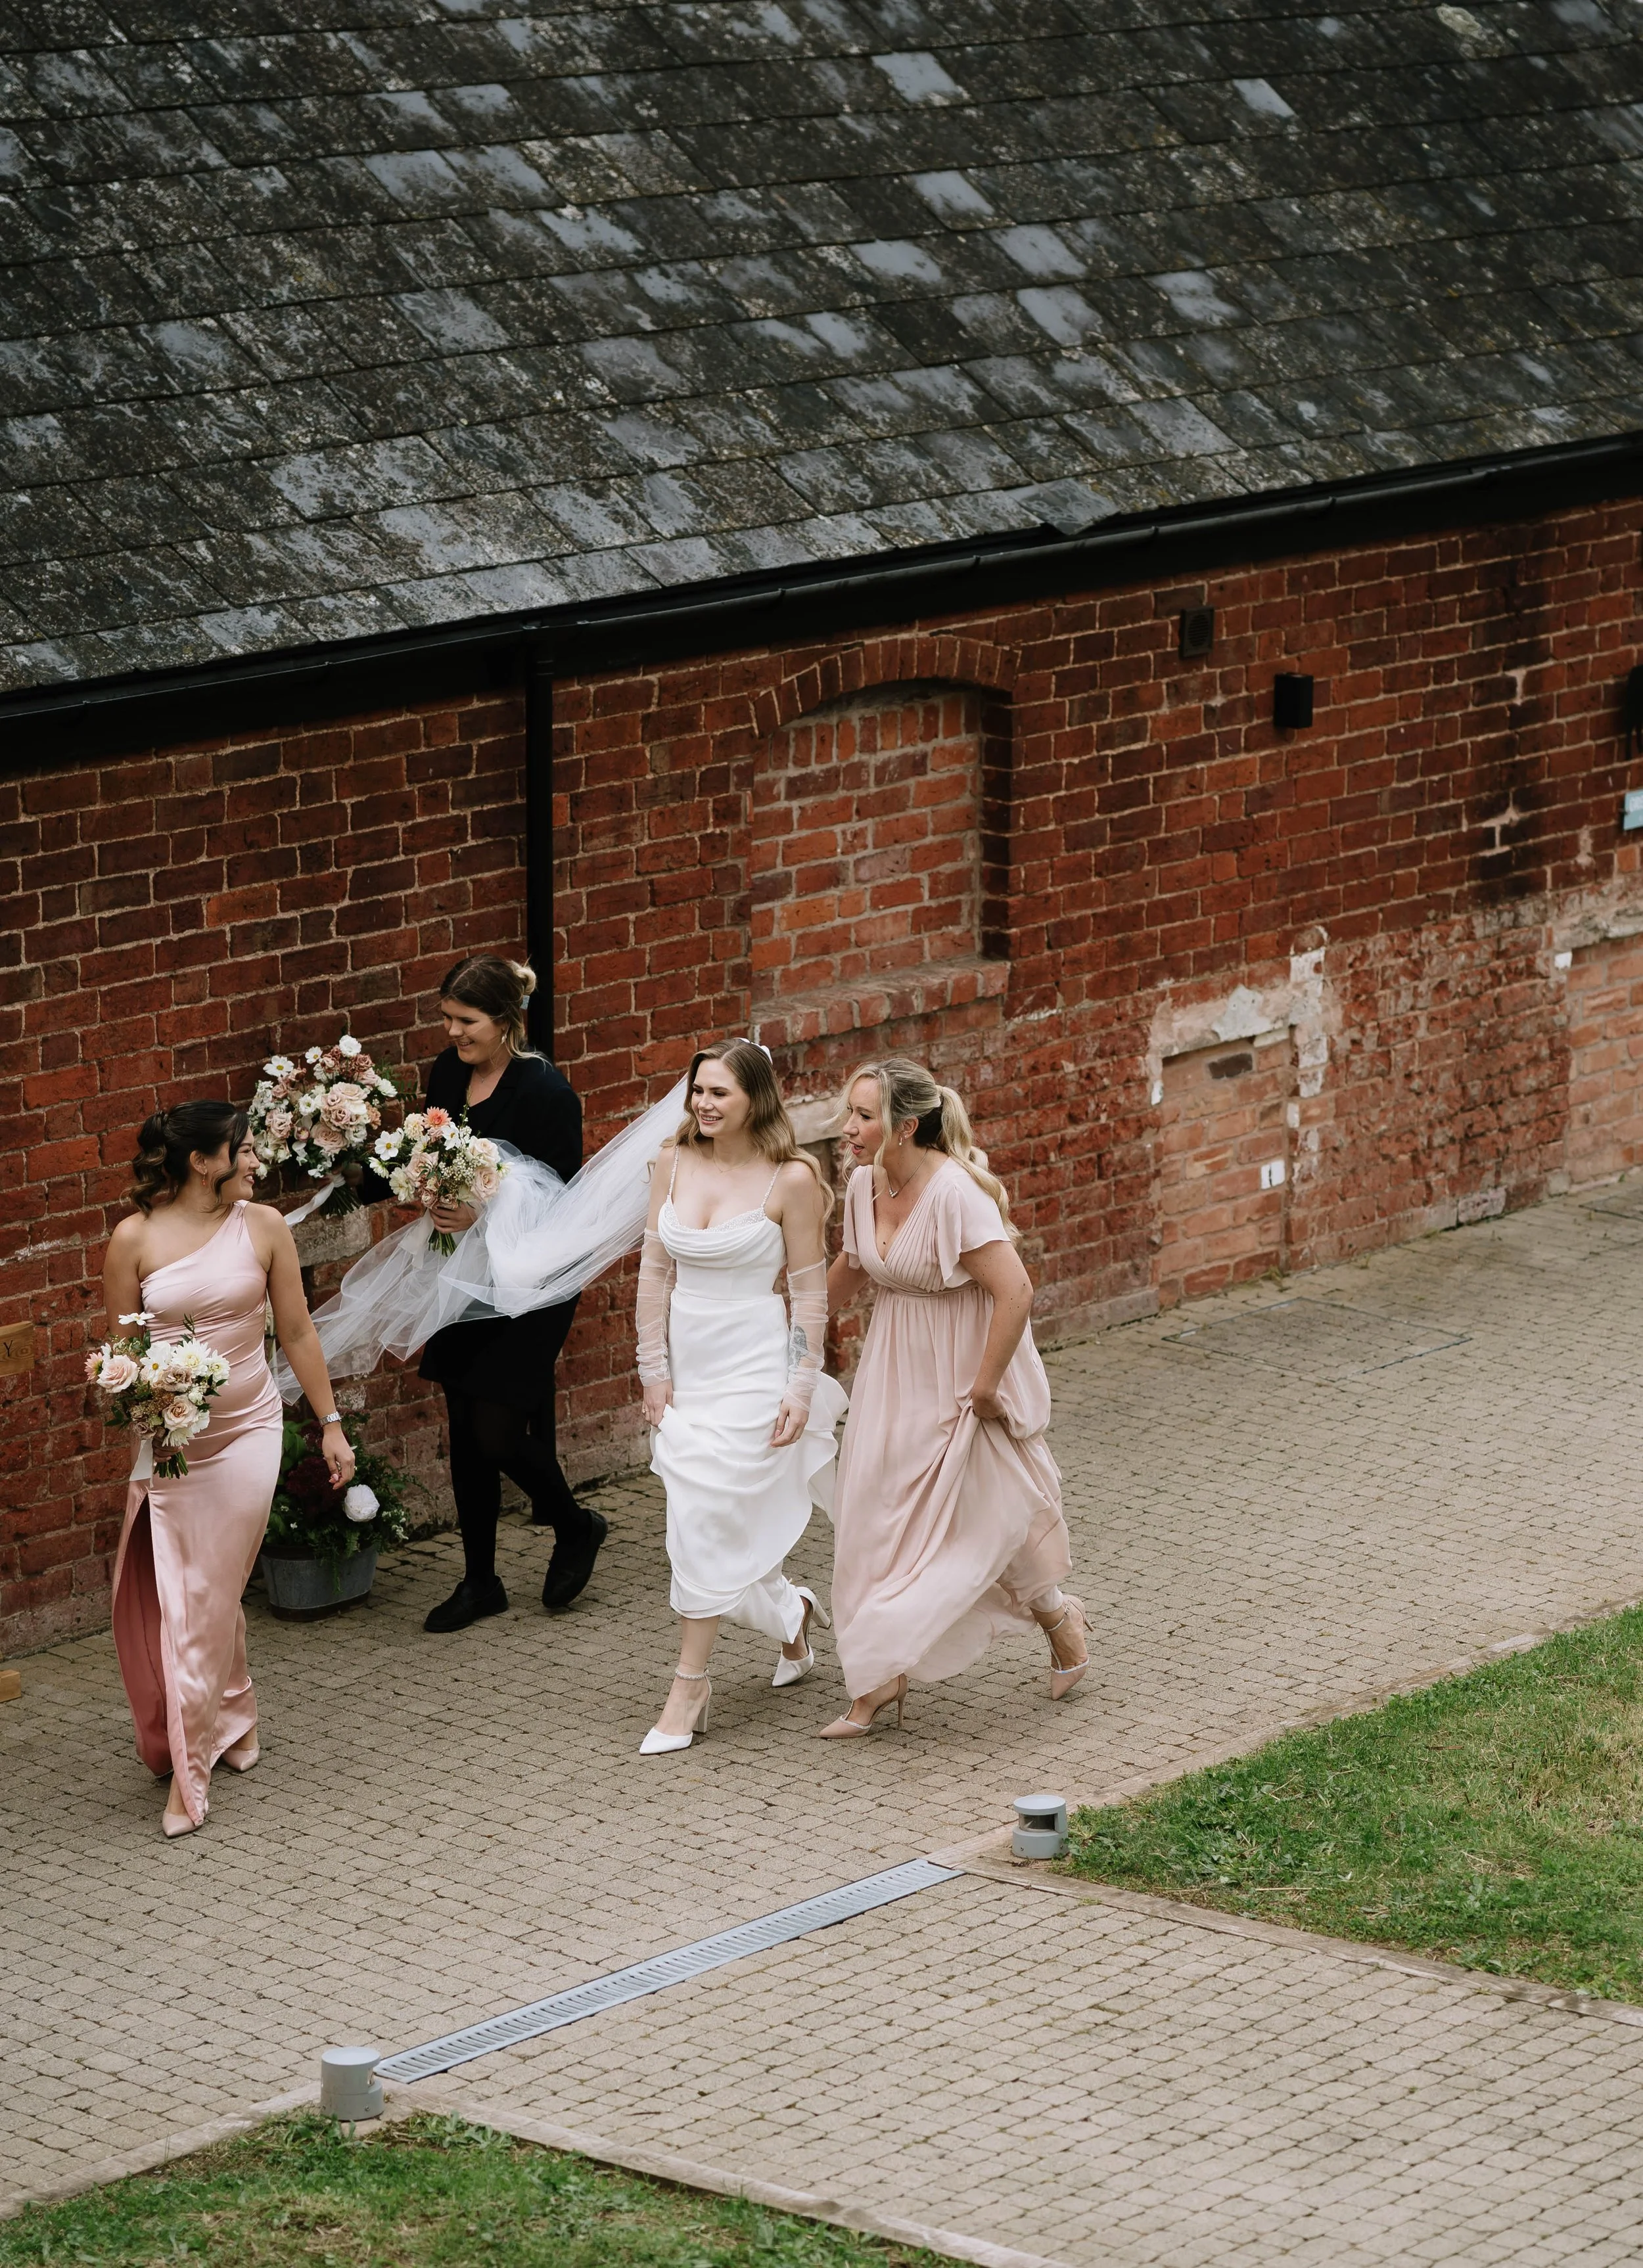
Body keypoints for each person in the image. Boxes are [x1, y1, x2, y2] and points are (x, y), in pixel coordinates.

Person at [105, 1101, 356, 1837]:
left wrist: (331, 1425)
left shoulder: (264, 1226)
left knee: (207, 1591)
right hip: (173, 1442)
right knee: (202, 1585)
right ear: (201, 1161)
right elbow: (118, 1355)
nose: (255, 1161)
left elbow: (299, 1330)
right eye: (243, 1150)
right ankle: (236, 1718)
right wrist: (143, 1400)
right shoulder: (134, 1239)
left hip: (248, 1432)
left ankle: (191, 1774)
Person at [820, 1058, 1088, 1736]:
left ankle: (1057, 1615)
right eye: (849, 1112)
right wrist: (785, 1327)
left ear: (905, 1125)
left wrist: (985, 1386)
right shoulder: (859, 1185)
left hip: (962, 1372)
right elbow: (852, 1268)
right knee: (874, 1514)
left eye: (863, 1115)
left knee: (984, 1513)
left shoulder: (954, 1193)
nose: (847, 1127)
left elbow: (1015, 1290)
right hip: (891, 1371)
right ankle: (879, 1676)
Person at [636, 1041, 848, 1754]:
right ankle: (792, 1614)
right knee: (707, 1513)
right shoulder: (670, 1161)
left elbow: (810, 1294)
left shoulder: (790, 1179)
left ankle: (688, 1686)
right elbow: (653, 1276)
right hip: (690, 1370)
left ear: (754, 1098)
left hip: (756, 1363)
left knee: (704, 1516)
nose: (703, 1102)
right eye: (698, 1089)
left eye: (719, 1092)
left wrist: (798, 1385)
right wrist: (651, 1370)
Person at [407, 954, 605, 1634]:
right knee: (462, 1420)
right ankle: (480, 1579)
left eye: (465, 1020)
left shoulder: (547, 1092)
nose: (452, 1031)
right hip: (462, 1269)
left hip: (533, 1282)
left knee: (495, 1426)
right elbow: (428, 1155)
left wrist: (482, 1209)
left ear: (504, 1020)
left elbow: (560, 1203)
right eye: (446, 1018)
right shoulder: (445, 1073)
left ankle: (576, 1524)